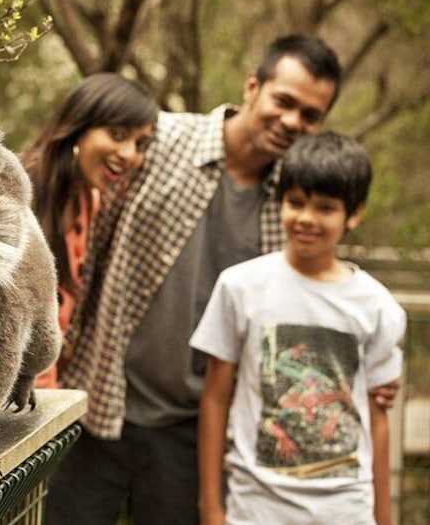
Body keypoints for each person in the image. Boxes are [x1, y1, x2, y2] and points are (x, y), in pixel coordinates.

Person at [46, 34, 379, 524]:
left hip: (191, 430)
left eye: (310, 116)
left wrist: (374, 371)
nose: (292, 122)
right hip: (97, 400)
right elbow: (82, 225)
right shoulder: (158, 141)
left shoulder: (296, 204)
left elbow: (312, 297)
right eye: (284, 102)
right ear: (252, 87)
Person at [190, 132, 404, 524]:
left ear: (353, 215)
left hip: (346, 510)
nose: (306, 218)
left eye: (325, 208)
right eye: (296, 202)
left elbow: (377, 417)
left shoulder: (376, 306)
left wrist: (384, 517)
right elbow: (216, 397)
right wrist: (211, 508)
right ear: (280, 202)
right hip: (256, 508)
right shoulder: (240, 287)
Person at [20, 73, 159, 388]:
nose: (129, 154)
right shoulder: (18, 194)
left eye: (140, 144)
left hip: (47, 396)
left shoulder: (90, 200)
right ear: (76, 125)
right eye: (117, 134)